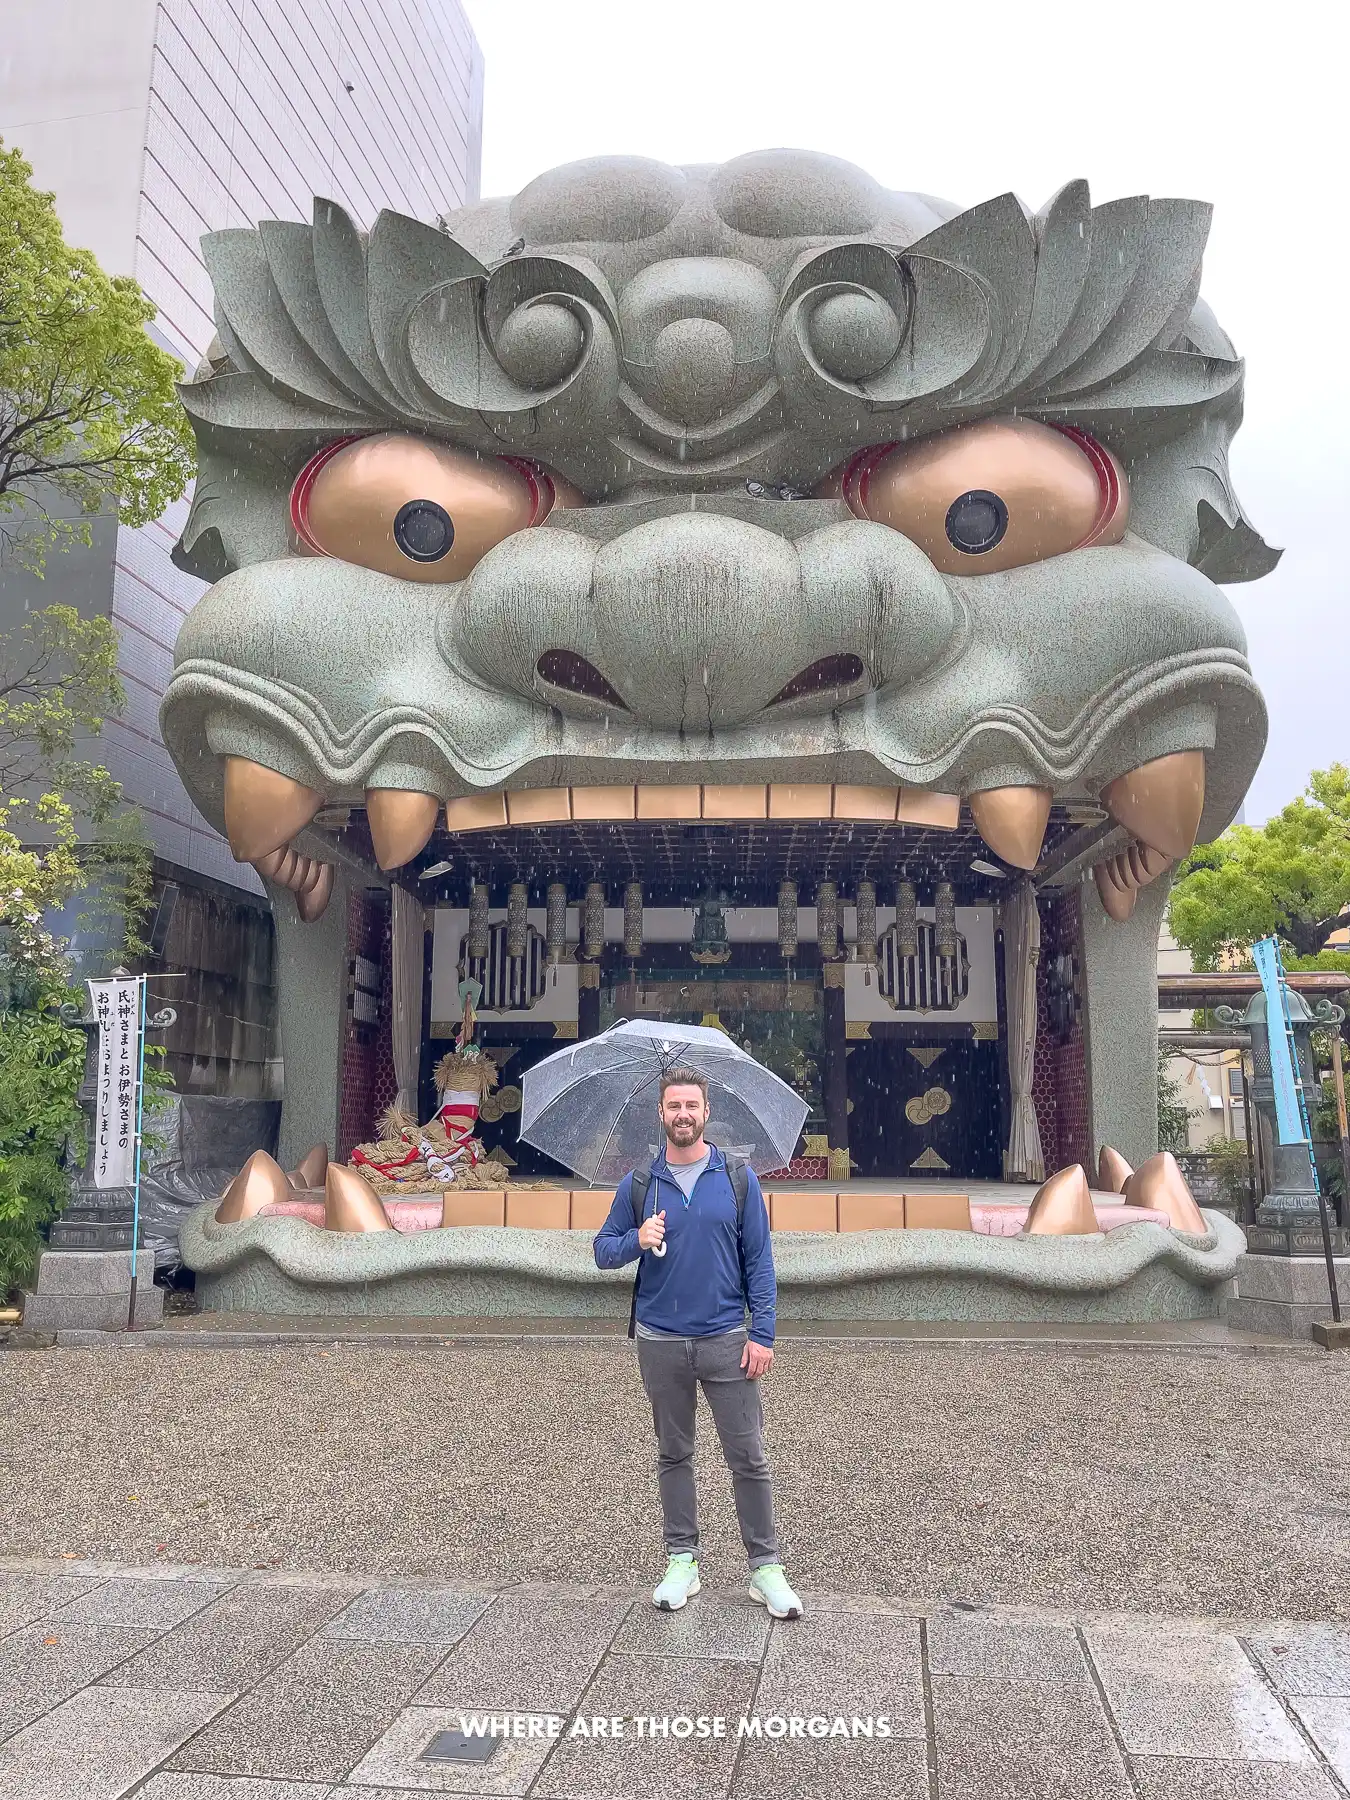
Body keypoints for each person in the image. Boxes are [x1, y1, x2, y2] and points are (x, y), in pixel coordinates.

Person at [593, 1065, 804, 1619]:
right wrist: (636, 1239)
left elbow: (759, 1261)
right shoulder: (640, 1183)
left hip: (726, 1338)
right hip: (660, 1340)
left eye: (692, 1106)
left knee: (748, 1456)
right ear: (660, 1115)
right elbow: (602, 1249)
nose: (683, 1115)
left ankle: (765, 1568)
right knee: (674, 1453)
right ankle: (682, 1560)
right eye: (673, 1107)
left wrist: (763, 1333)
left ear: (706, 1113)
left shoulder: (737, 1179)